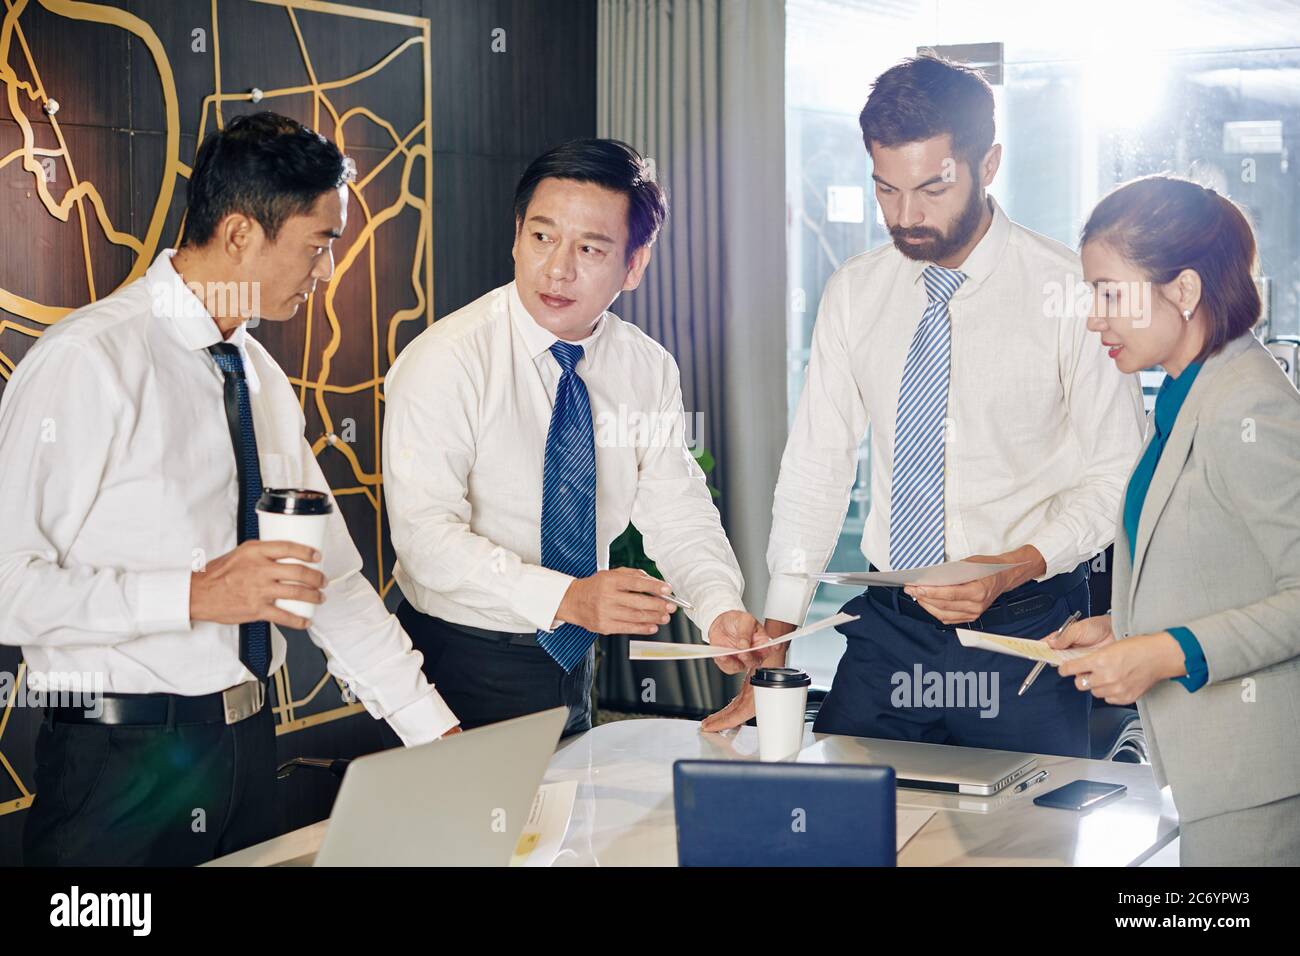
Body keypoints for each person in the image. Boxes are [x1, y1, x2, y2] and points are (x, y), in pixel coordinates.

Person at [0, 112, 459, 866]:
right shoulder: (88, 360)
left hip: (248, 753)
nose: (327, 269)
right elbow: (8, 584)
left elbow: (330, 583)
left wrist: (437, 737)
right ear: (242, 235)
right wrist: (193, 594)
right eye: (319, 243)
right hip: (118, 771)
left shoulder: (259, 376)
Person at [705, 56, 1144, 758]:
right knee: (848, 826)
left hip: (1024, 630)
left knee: (1024, 847)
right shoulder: (856, 291)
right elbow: (818, 470)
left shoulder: (1068, 291)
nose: (905, 217)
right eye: (886, 188)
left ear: (988, 163)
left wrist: (1011, 566)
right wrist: (779, 636)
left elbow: (1120, 472)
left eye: (932, 188)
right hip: (888, 628)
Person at [382, 138, 766, 736]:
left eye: (589, 248)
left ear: (634, 265)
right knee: (476, 832)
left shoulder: (646, 367)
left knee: (567, 827)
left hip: (571, 659)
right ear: (516, 237)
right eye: (541, 237)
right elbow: (424, 537)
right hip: (457, 662)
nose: (558, 268)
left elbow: (676, 505)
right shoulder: (448, 360)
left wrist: (719, 608)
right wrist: (565, 598)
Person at [1053, 175, 1300, 865]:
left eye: (1109, 293)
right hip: (1218, 775)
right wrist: (1124, 630)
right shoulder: (1188, 393)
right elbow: (1220, 561)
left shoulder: (1249, 406)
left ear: (1184, 292)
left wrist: (1164, 653)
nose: (1094, 318)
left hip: (1262, 781)